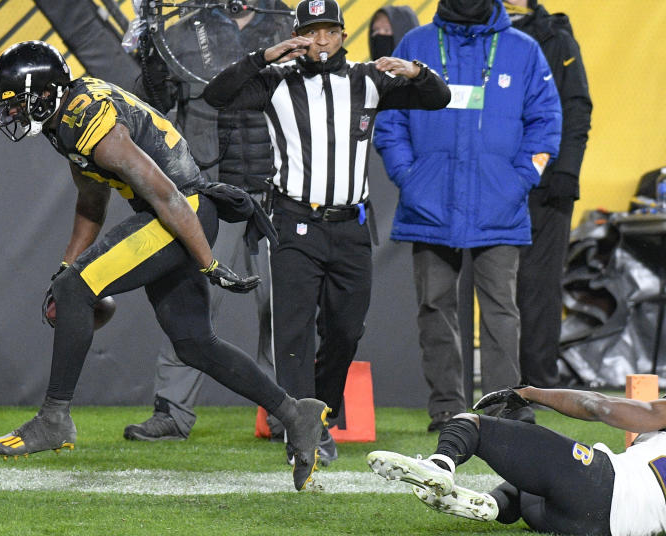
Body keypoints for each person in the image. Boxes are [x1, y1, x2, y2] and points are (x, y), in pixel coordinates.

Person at [0, 40, 330, 491]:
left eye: (14, 103)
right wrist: (65, 268)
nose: (8, 113)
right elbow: (91, 201)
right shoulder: (63, 117)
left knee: (75, 290)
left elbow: (166, 193)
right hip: (170, 211)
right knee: (194, 343)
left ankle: (54, 419)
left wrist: (208, 263)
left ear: (44, 93)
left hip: (178, 212)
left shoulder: (88, 118)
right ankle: (295, 413)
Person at [202, 0, 450, 466]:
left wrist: (415, 71)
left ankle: (321, 414)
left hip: (351, 226)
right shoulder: (277, 81)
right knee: (292, 334)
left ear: (341, 34)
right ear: (298, 35)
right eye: (310, 32)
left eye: (329, 31)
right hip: (295, 221)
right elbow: (217, 93)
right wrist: (267, 54)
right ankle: (304, 431)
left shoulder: (367, 79)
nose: (320, 41)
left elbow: (439, 97)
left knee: (345, 330)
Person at [373, 0, 561, 432]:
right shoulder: (416, 43)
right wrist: (410, 176)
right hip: (430, 203)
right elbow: (390, 118)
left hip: (501, 203)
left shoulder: (523, 49)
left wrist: (519, 181)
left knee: (500, 311)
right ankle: (446, 409)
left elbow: (546, 123)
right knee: (434, 306)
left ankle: (503, 406)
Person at [126, 0, 294, 444]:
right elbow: (148, 105)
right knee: (192, 303)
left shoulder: (289, 25)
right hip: (210, 192)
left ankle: (286, 413)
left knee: (283, 312)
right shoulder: (181, 32)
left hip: (278, 191)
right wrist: (149, 69)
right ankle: (171, 413)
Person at [367, 373, 666, 536]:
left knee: (471, 423)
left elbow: (601, 408)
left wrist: (531, 394)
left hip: (601, 489)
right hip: (595, 528)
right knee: (535, 479)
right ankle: (494, 504)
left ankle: (438, 466)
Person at [505, 0, 591, 390]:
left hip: (548, 183)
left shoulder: (558, 40)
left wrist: (567, 172)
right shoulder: (477, 33)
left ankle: (538, 383)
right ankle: (501, 379)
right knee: (495, 286)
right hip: (496, 180)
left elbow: (576, 111)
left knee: (539, 285)